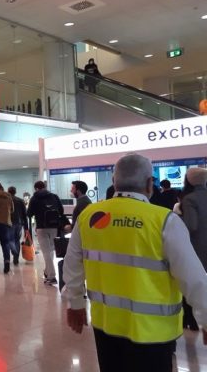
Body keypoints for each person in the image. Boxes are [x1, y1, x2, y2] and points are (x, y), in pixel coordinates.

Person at [63, 154, 207, 372]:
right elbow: (193, 279)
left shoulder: (89, 215)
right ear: (150, 183)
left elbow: (72, 264)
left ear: (114, 182)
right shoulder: (164, 220)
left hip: (106, 326)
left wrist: (75, 303)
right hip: (153, 332)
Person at [180, 168, 207, 331]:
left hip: (197, 248)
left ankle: (190, 320)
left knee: (190, 283)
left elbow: (191, 225)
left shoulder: (190, 199)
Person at [27, 181, 63, 285]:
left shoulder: (35, 198)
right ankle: (47, 272)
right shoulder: (54, 196)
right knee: (51, 250)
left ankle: (51, 276)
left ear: (36, 188)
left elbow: (29, 213)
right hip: (54, 227)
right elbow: (61, 210)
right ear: (45, 187)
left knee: (46, 252)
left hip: (41, 227)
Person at [7, 186, 29, 265]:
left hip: (10, 223)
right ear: (15, 192)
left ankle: (13, 251)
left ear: (8, 191)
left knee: (10, 239)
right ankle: (16, 259)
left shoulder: (7, 200)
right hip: (19, 223)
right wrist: (26, 227)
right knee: (17, 240)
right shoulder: (20, 200)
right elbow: (24, 214)